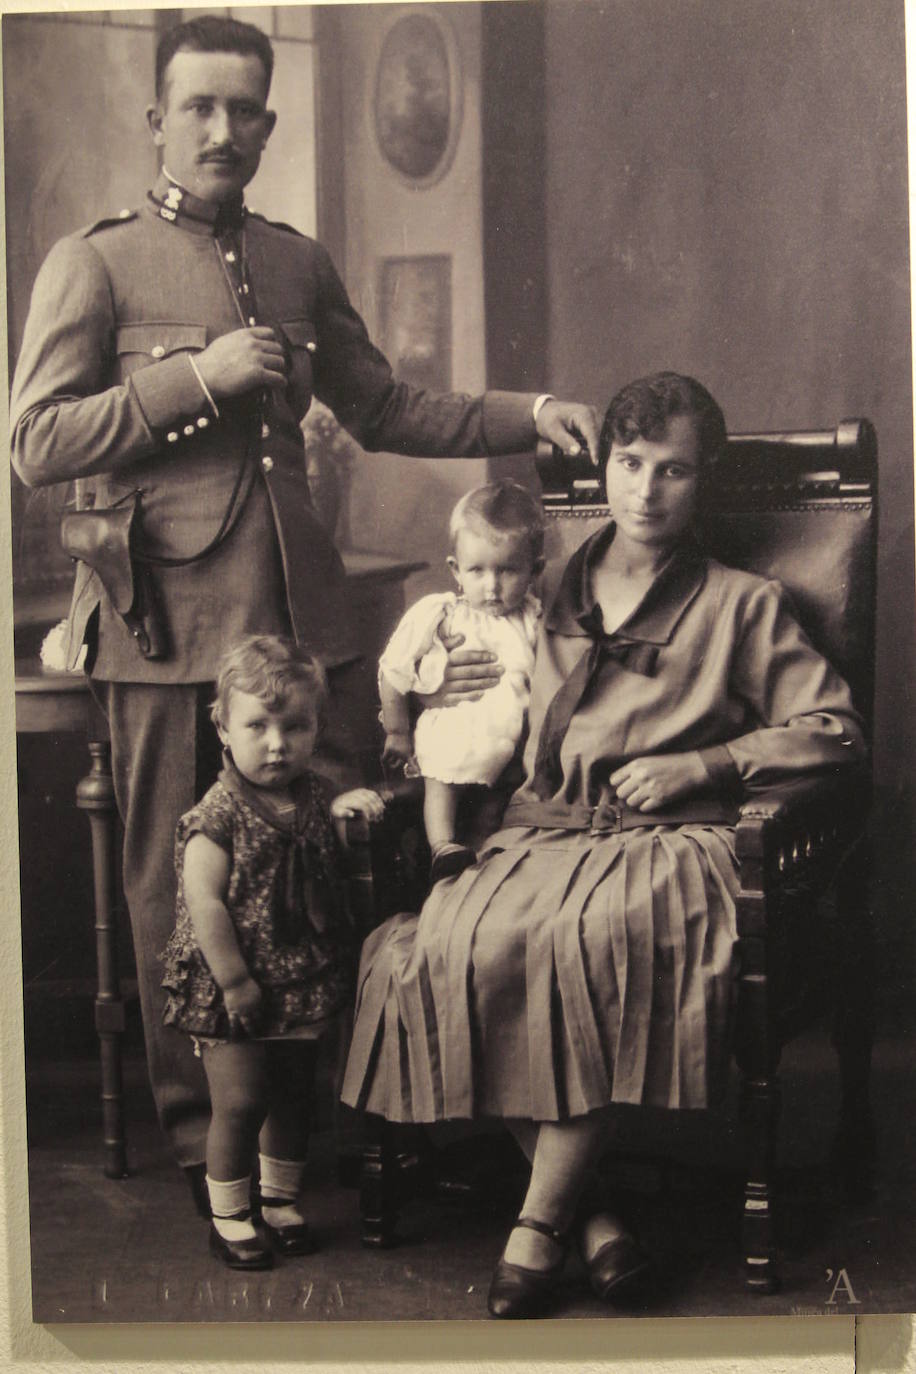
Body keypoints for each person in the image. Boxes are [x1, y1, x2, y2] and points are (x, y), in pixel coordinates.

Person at [8, 13, 599, 1208]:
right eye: (201, 107)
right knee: (183, 894)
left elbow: (386, 408)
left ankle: (310, 1136)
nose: (224, 130)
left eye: (246, 111)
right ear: (158, 119)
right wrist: (193, 379)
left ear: (268, 125)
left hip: (301, 632)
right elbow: (33, 441)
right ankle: (207, 1155)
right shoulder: (96, 262)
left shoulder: (292, 261)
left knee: (329, 885)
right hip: (169, 633)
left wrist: (526, 413)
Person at [340, 371, 867, 1318]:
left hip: (670, 845)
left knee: (595, 945)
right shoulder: (539, 590)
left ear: (701, 483)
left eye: (674, 471)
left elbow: (834, 730)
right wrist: (427, 693)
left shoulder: (744, 604)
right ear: (606, 465)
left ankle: (536, 1227)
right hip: (540, 832)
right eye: (630, 464)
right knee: (448, 950)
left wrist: (705, 763)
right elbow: (458, 694)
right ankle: (601, 1216)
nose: (646, 490)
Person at [161, 635, 383, 1270]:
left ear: (315, 728)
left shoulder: (311, 794)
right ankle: (229, 1216)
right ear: (224, 730)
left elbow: (318, 836)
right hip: (233, 976)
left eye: (295, 726)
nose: (277, 743)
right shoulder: (217, 815)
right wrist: (234, 983)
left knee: (292, 1095)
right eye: (257, 725)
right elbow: (205, 905)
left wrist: (345, 808)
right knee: (240, 1101)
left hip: (298, 973)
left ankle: (280, 1200)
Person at [379, 481, 544, 883]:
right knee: (442, 788)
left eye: (507, 570)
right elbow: (393, 668)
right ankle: (442, 848)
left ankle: (480, 860)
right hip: (451, 731)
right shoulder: (441, 614)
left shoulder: (534, 618)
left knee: (493, 807)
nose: (491, 586)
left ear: (534, 570)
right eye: (477, 570)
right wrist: (397, 732)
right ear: (455, 570)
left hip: (506, 748)